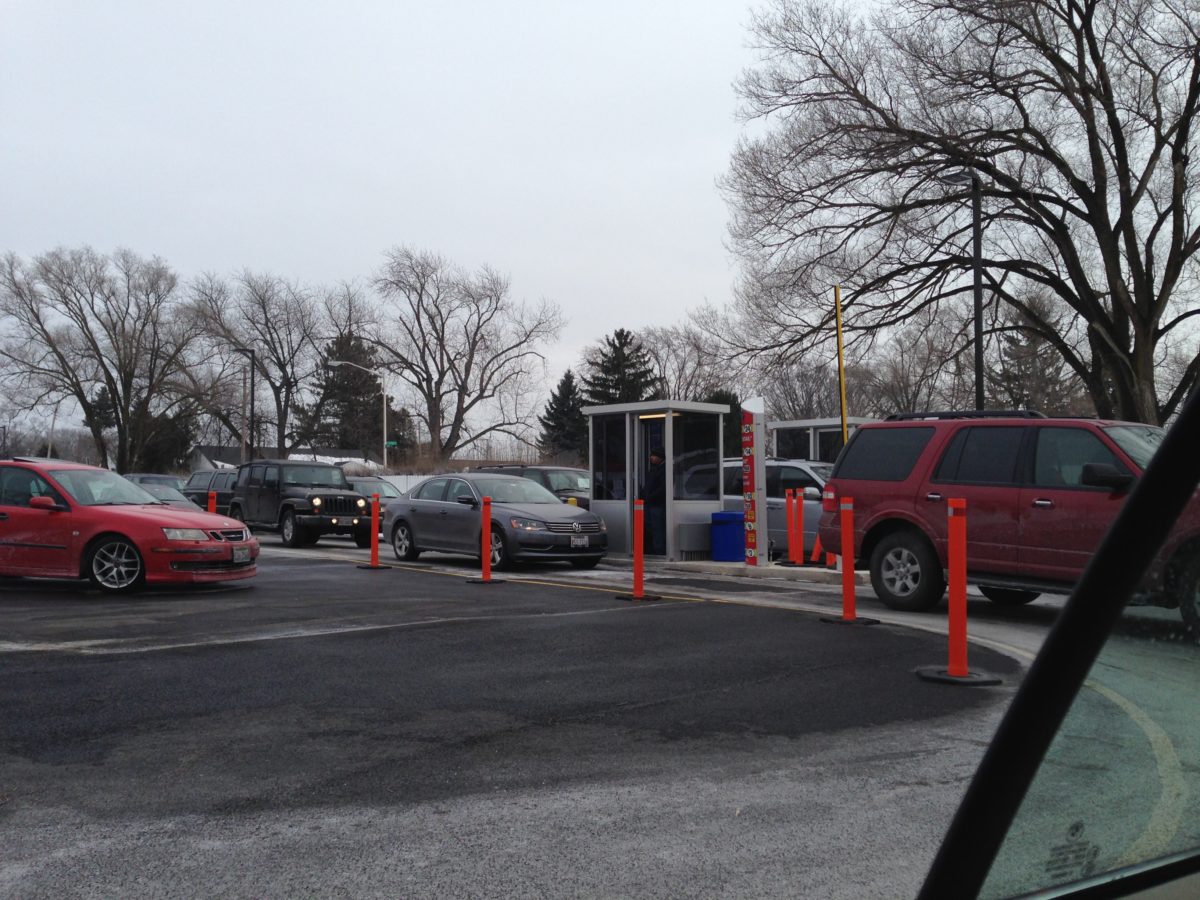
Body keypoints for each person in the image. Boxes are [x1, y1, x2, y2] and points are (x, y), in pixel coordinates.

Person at [641, 446, 666, 555]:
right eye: (651, 455)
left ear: (660, 457)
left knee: (657, 528)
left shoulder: (663, 470)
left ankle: (659, 550)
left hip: (657, 504)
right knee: (650, 527)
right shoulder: (654, 469)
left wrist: (650, 496)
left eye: (654, 455)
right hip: (649, 504)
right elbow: (648, 485)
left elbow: (663, 488)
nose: (651, 457)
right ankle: (652, 549)